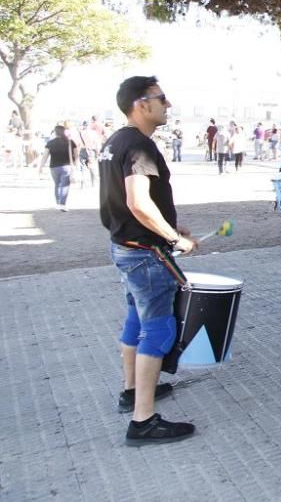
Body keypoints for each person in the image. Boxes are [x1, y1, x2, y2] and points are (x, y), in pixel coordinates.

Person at [98, 76, 198, 445]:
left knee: (135, 319)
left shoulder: (115, 141)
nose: (167, 104)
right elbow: (138, 202)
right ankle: (143, 421)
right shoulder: (139, 146)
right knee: (159, 328)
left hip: (126, 246)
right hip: (145, 254)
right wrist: (174, 238)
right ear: (141, 104)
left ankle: (131, 392)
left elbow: (127, 203)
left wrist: (172, 224)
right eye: (161, 98)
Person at [37, 124, 77, 211]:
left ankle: (58, 203)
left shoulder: (50, 143)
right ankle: (62, 204)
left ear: (55, 133)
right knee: (65, 186)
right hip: (67, 167)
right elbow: (76, 155)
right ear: (64, 132)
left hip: (54, 167)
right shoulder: (70, 142)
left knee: (57, 185)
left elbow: (45, 156)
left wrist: (41, 166)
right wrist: (75, 164)